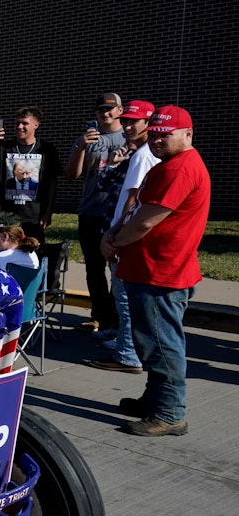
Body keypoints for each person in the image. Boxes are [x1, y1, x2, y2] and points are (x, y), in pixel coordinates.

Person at [101, 106, 210, 437]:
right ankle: (155, 400)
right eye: (156, 133)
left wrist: (115, 241)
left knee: (162, 346)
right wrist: (115, 231)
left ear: (187, 134)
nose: (159, 140)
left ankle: (169, 412)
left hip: (162, 273)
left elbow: (147, 221)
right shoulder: (167, 166)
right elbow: (137, 208)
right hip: (148, 270)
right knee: (151, 343)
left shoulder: (182, 169)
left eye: (167, 134)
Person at [89, 100, 159, 374]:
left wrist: (114, 235)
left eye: (135, 122)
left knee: (125, 298)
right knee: (128, 298)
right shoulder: (140, 152)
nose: (128, 126)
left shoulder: (143, 156)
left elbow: (132, 199)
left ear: (148, 124)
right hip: (127, 232)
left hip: (124, 235)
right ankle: (128, 346)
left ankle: (128, 354)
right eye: (126, 121)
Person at [65, 93, 127, 335]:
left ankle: (118, 319)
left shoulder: (128, 137)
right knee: (94, 268)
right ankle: (100, 317)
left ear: (120, 111)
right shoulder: (87, 139)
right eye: (101, 109)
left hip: (116, 213)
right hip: (90, 211)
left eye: (111, 109)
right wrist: (81, 146)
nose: (106, 113)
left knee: (118, 270)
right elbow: (71, 175)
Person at [0, 106, 61, 242]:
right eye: (17, 123)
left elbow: (52, 183)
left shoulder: (47, 149)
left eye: (25, 123)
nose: (19, 127)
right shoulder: (4, 147)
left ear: (36, 125)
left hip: (33, 217)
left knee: (31, 257)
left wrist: (48, 212)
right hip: (4, 215)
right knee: (0, 257)